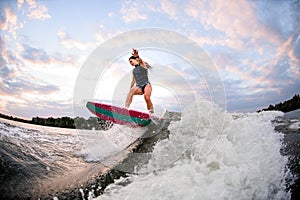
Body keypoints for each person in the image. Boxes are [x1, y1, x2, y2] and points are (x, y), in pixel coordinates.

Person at [125, 48, 154, 113]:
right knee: (131, 91)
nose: (130, 63)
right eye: (129, 62)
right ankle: (125, 109)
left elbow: (140, 60)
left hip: (146, 85)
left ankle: (151, 113)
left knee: (146, 97)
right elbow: (133, 80)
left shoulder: (142, 65)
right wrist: (131, 88)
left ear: (136, 60)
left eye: (131, 61)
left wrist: (136, 56)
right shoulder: (133, 70)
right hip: (139, 87)